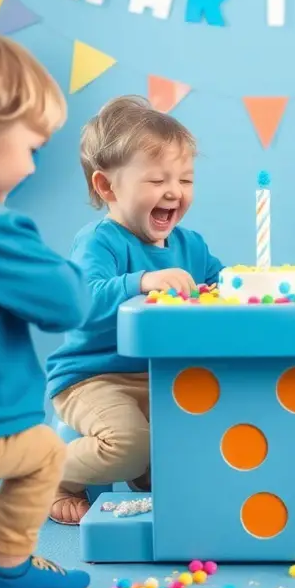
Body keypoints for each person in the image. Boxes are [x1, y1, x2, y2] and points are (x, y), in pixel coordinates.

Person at [47, 95, 223, 525]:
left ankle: (144, 470)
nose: (173, 192)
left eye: (185, 180)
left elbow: (221, 288)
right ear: (107, 187)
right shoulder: (100, 242)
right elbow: (83, 301)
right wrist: (140, 282)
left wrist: (245, 286)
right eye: (156, 180)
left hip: (161, 378)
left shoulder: (190, 245)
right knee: (127, 447)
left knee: (200, 450)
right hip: (93, 377)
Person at [0, 27, 90, 588]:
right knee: (46, 451)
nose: (30, 167)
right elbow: (66, 302)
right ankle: (10, 571)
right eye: (33, 148)